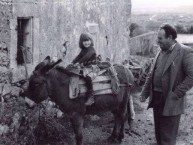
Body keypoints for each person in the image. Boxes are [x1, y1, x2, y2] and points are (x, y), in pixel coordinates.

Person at [140, 23, 193, 145]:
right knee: (159, 133)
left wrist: (176, 94)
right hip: (157, 98)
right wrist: (145, 92)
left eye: (160, 38)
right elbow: (151, 74)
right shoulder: (160, 51)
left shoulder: (185, 52)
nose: (157, 41)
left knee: (167, 138)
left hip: (171, 99)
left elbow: (192, 76)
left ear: (170, 38)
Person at [72, 33, 97, 105]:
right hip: (85, 67)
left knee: (88, 78)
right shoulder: (83, 50)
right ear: (81, 43)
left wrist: (79, 62)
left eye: (88, 40)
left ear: (91, 41)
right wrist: (72, 63)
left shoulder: (91, 49)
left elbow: (87, 56)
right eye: (84, 41)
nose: (86, 42)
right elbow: (78, 57)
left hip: (92, 67)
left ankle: (91, 96)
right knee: (76, 74)